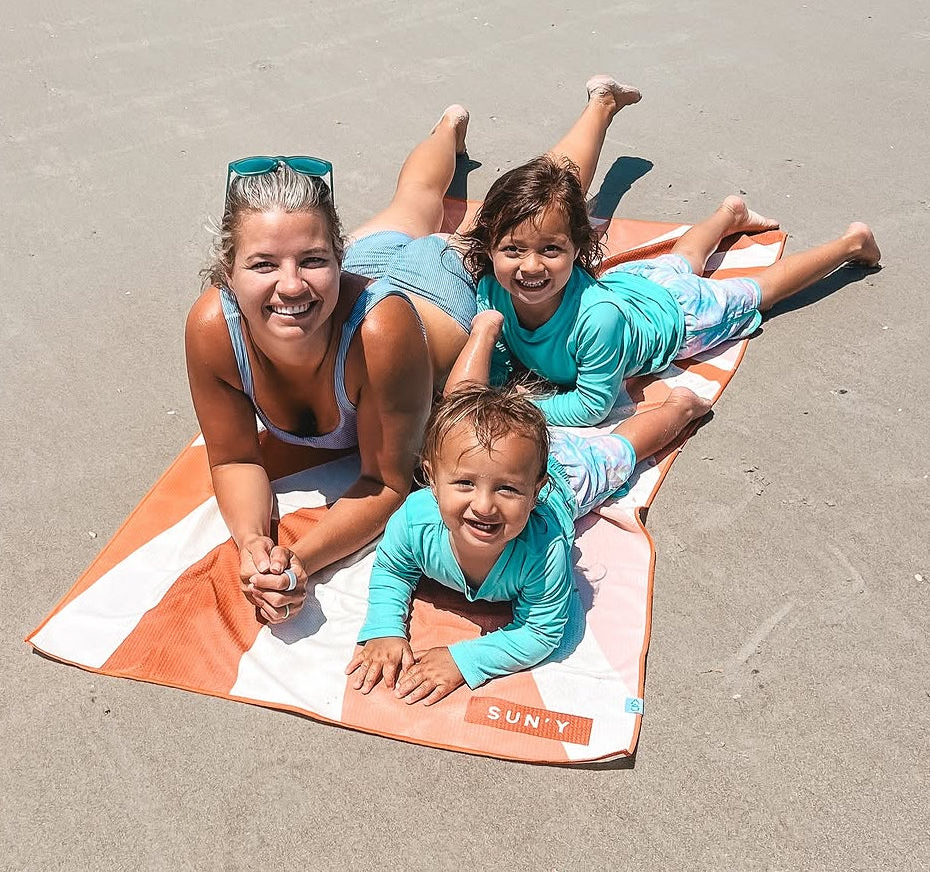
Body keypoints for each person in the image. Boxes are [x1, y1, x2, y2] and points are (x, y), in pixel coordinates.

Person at [186, 106, 477, 626]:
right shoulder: (214, 327)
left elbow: (386, 483)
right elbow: (233, 459)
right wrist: (254, 543)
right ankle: (448, 129)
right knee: (414, 199)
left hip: (435, 288)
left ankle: (598, 109)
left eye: (313, 259)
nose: (291, 283)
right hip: (362, 271)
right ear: (227, 273)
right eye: (263, 264)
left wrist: (300, 560)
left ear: (337, 258)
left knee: (508, 215)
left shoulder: (379, 334)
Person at [345, 315, 711, 705]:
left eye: (507, 490)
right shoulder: (415, 520)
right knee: (458, 410)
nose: (484, 506)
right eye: (465, 484)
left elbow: (542, 632)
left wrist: (465, 659)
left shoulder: (542, 547)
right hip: (511, 457)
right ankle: (484, 330)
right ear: (432, 481)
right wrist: (384, 627)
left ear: (535, 493)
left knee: (622, 452)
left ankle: (679, 408)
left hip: (568, 472)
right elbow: (392, 568)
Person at [458, 160, 882, 427]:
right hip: (633, 283)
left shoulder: (596, 319)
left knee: (759, 291)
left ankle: (850, 244)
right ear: (490, 248)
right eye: (513, 249)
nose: (531, 266)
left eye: (551, 249)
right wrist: (492, 384)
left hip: (680, 317)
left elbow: (591, 407)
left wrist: (512, 405)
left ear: (579, 247)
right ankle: (728, 214)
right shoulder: (492, 290)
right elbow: (497, 361)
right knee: (682, 261)